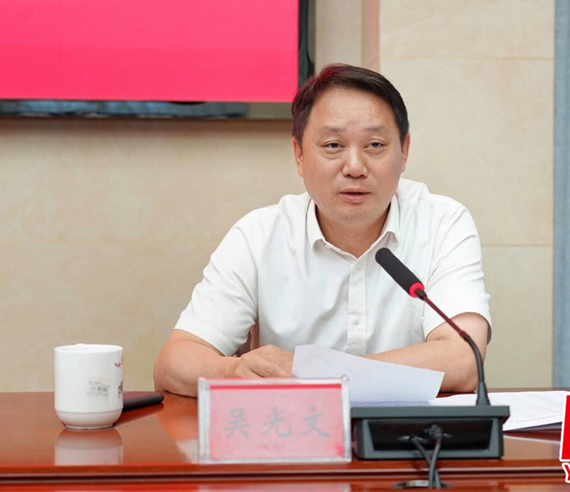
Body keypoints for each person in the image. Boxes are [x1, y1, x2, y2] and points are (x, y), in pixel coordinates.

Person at [154, 64, 491, 397]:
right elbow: (173, 363)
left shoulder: (442, 223)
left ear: (404, 152)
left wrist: (318, 376)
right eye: (333, 146)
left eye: (375, 145)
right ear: (299, 155)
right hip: (295, 428)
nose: (355, 167)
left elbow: (464, 361)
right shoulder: (258, 236)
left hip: (411, 431)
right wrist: (231, 370)